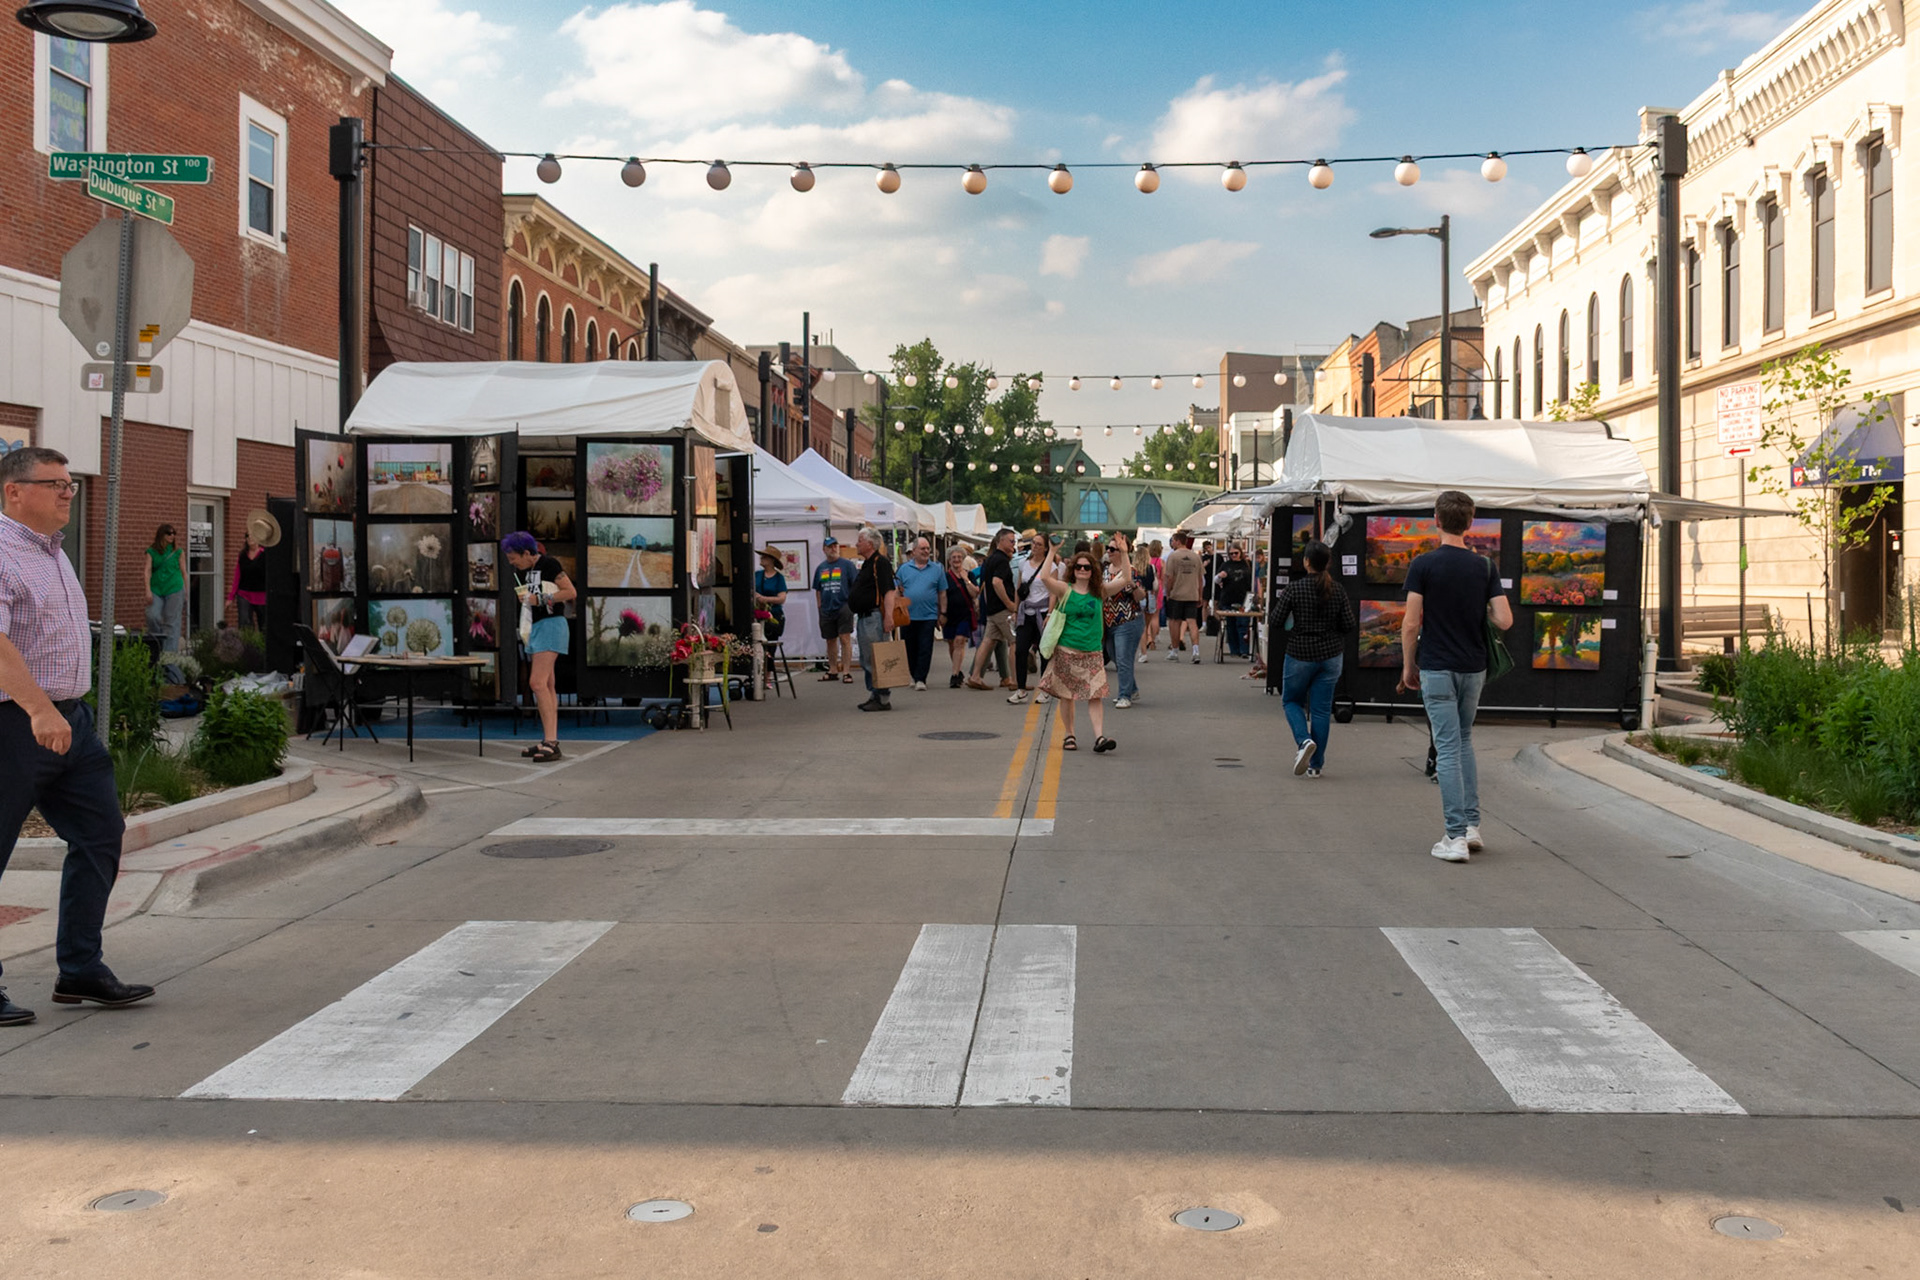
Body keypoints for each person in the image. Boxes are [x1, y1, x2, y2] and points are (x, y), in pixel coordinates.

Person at [0, 446, 156, 1023]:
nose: (69, 493)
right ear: (15, 491)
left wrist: (61, 712)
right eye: (56, 484)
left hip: (71, 720)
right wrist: (39, 710)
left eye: (71, 484)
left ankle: (80, 968)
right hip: (17, 721)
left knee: (100, 833)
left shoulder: (54, 553)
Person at [1401, 490, 1514, 863]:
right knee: (1464, 742)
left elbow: (1410, 623)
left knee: (1446, 747)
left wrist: (1408, 665)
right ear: (1471, 520)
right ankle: (1471, 826)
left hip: (1436, 665)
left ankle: (1454, 837)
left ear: (1436, 519)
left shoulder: (1423, 565)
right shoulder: (1484, 567)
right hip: (1473, 667)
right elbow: (1504, 620)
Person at [1273, 541, 1356, 778]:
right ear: (1327, 563)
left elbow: (1277, 620)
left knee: (1291, 701)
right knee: (1320, 711)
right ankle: (1316, 765)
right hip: (1331, 656)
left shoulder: (1294, 589)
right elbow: (1349, 624)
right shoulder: (1337, 590)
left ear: (1306, 561)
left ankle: (1304, 741)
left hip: (1300, 653)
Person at [503, 530, 576, 763]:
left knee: (537, 682)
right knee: (548, 684)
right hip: (536, 626)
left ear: (527, 553)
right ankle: (549, 739)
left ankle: (551, 741)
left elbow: (570, 592)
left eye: (514, 557)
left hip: (551, 625)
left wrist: (542, 599)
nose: (512, 562)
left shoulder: (549, 564)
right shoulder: (524, 571)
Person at [1036, 549, 1115, 754]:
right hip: (1067, 650)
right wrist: (1052, 551)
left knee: (1095, 695)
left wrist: (1123, 553)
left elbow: (1125, 580)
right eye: (1078, 566)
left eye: (1086, 567)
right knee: (1067, 696)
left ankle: (1099, 737)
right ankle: (1069, 735)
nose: (1082, 570)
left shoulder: (1100, 592)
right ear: (1073, 569)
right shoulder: (1065, 589)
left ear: (1092, 571)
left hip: (1093, 652)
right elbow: (1044, 577)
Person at [849, 526, 899, 712]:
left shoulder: (881, 562)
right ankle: (875, 694)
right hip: (865, 617)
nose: (856, 544)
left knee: (876, 658)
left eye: (860, 540)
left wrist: (888, 617)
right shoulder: (869, 563)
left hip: (874, 617)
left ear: (870, 543)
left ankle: (882, 697)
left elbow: (889, 591)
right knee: (867, 657)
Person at [965, 528, 1020, 691]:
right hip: (1002, 610)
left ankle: (975, 676)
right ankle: (1015, 680)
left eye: (1014, 541)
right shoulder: (1001, 560)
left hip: (992, 609)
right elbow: (996, 582)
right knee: (1014, 641)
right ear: (1000, 541)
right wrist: (1010, 604)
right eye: (1011, 541)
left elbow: (987, 585)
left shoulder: (989, 559)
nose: (1013, 544)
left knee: (988, 641)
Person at [1008, 531, 1055, 705]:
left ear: (1045, 548)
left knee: (1044, 652)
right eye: (1033, 543)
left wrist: (1050, 613)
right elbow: (1019, 588)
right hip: (1025, 611)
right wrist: (1015, 609)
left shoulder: (1051, 567)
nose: (1034, 547)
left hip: (1042, 612)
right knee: (1020, 650)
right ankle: (1021, 689)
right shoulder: (1023, 564)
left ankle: (1044, 689)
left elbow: (1053, 593)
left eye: (1039, 544)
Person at [895, 536, 944, 691]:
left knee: (925, 647)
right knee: (910, 648)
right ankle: (913, 675)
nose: (926, 551)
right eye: (923, 548)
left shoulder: (937, 569)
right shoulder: (904, 569)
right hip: (907, 615)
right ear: (914, 551)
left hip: (928, 615)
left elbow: (942, 592)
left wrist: (943, 612)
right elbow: (896, 589)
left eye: (928, 548)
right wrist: (896, 609)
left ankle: (921, 678)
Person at [1103, 534, 1145, 709]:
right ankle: (1132, 688)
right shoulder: (1105, 570)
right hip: (1109, 622)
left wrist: (1134, 587)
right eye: (1108, 548)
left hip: (1128, 621)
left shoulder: (1130, 570)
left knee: (1123, 658)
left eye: (1113, 549)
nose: (1109, 551)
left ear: (1122, 551)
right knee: (1114, 656)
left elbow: (1141, 596)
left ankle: (1124, 695)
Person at [813, 536, 856, 684]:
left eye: (835, 545)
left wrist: (851, 604)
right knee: (830, 640)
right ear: (824, 549)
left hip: (843, 606)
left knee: (845, 639)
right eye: (830, 546)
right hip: (826, 607)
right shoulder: (821, 568)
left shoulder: (847, 565)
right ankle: (832, 669)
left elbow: (855, 585)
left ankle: (846, 671)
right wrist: (819, 606)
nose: (833, 548)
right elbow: (817, 589)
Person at [144, 522, 186, 654]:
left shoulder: (178, 552)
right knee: (152, 615)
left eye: (174, 533)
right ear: (161, 535)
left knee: (171, 621)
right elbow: (147, 570)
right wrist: (147, 590)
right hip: (157, 589)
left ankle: (169, 655)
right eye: (169, 533)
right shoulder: (151, 552)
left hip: (175, 588)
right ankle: (157, 642)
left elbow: (184, 571)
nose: (172, 536)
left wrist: (186, 590)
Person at [941, 544, 978, 688]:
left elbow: (975, 593)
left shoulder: (970, 574)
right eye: (953, 557)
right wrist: (941, 613)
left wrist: (966, 580)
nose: (956, 560)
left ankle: (955, 675)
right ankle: (958, 669)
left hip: (965, 614)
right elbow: (941, 595)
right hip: (949, 615)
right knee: (952, 643)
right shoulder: (945, 576)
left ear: (963, 559)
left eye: (959, 557)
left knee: (959, 641)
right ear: (949, 560)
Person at [752, 546, 789, 688]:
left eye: (765, 557)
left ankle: (767, 677)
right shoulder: (757, 575)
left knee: (770, 647)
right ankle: (757, 675)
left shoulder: (779, 578)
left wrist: (765, 599)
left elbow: (782, 598)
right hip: (758, 614)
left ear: (772, 560)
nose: (762, 559)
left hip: (774, 615)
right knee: (756, 645)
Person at [1163, 532, 1203, 661]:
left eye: (1173, 540)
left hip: (1177, 594)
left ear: (1178, 541)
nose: (1172, 543)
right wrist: (1200, 595)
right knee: (1192, 622)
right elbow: (1200, 578)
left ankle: (1175, 651)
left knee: (1175, 622)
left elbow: (1169, 577)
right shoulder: (1196, 557)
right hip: (1192, 594)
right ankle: (1196, 651)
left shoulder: (1173, 556)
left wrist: (1168, 592)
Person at [1215, 543, 1255, 658]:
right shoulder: (1225, 565)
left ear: (1240, 553)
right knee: (1231, 626)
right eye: (1231, 554)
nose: (1234, 555)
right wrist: (1220, 576)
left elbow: (1253, 582)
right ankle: (1234, 650)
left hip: (1244, 599)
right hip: (1228, 599)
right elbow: (1216, 581)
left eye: (1236, 553)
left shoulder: (1247, 564)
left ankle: (1244, 650)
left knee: (1243, 625)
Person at [227, 530, 268, 630]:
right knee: (245, 623)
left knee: (264, 625)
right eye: (247, 536)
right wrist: (230, 597)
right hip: (244, 594)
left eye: (252, 536)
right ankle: (246, 645)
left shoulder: (265, 555)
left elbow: (270, 575)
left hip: (261, 595)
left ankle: (262, 645)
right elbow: (237, 576)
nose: (250, 539)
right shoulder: (242, 556)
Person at [1135, 544, 1159, 658]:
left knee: (1140, 626)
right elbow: (1155, 586)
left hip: (1137, 597)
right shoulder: (1152, 568)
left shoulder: (1133, 569)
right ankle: (1150, 642)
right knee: (1146, 624)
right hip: (1150, 597)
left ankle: (1143, 652)